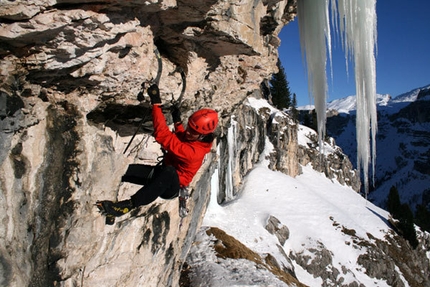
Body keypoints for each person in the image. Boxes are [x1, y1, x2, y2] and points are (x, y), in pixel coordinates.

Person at [97, 84, 218, 219]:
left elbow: (163, 135)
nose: (188, 131)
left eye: (193, 131)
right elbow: (184, 138)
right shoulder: (195, 140)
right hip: (160, 174)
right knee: (123, 171)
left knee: (169, 172)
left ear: (202, 135)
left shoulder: (193, 153)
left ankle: (127, 206)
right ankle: (108, 204)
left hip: (171, 186)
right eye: (188, 127)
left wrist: (156, 104)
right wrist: (177, 121)